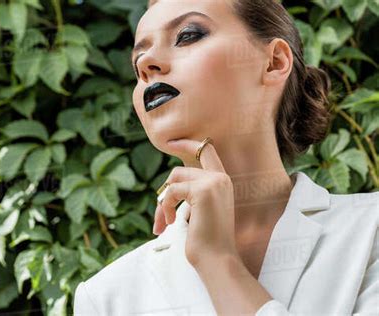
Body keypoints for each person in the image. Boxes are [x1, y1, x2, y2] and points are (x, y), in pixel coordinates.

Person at [73, 0, 379, 315]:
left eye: (187, 35)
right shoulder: (107, 296)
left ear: (274, 62)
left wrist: (218, 262)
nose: (146, 63)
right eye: (138, 58)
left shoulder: (371, 229)